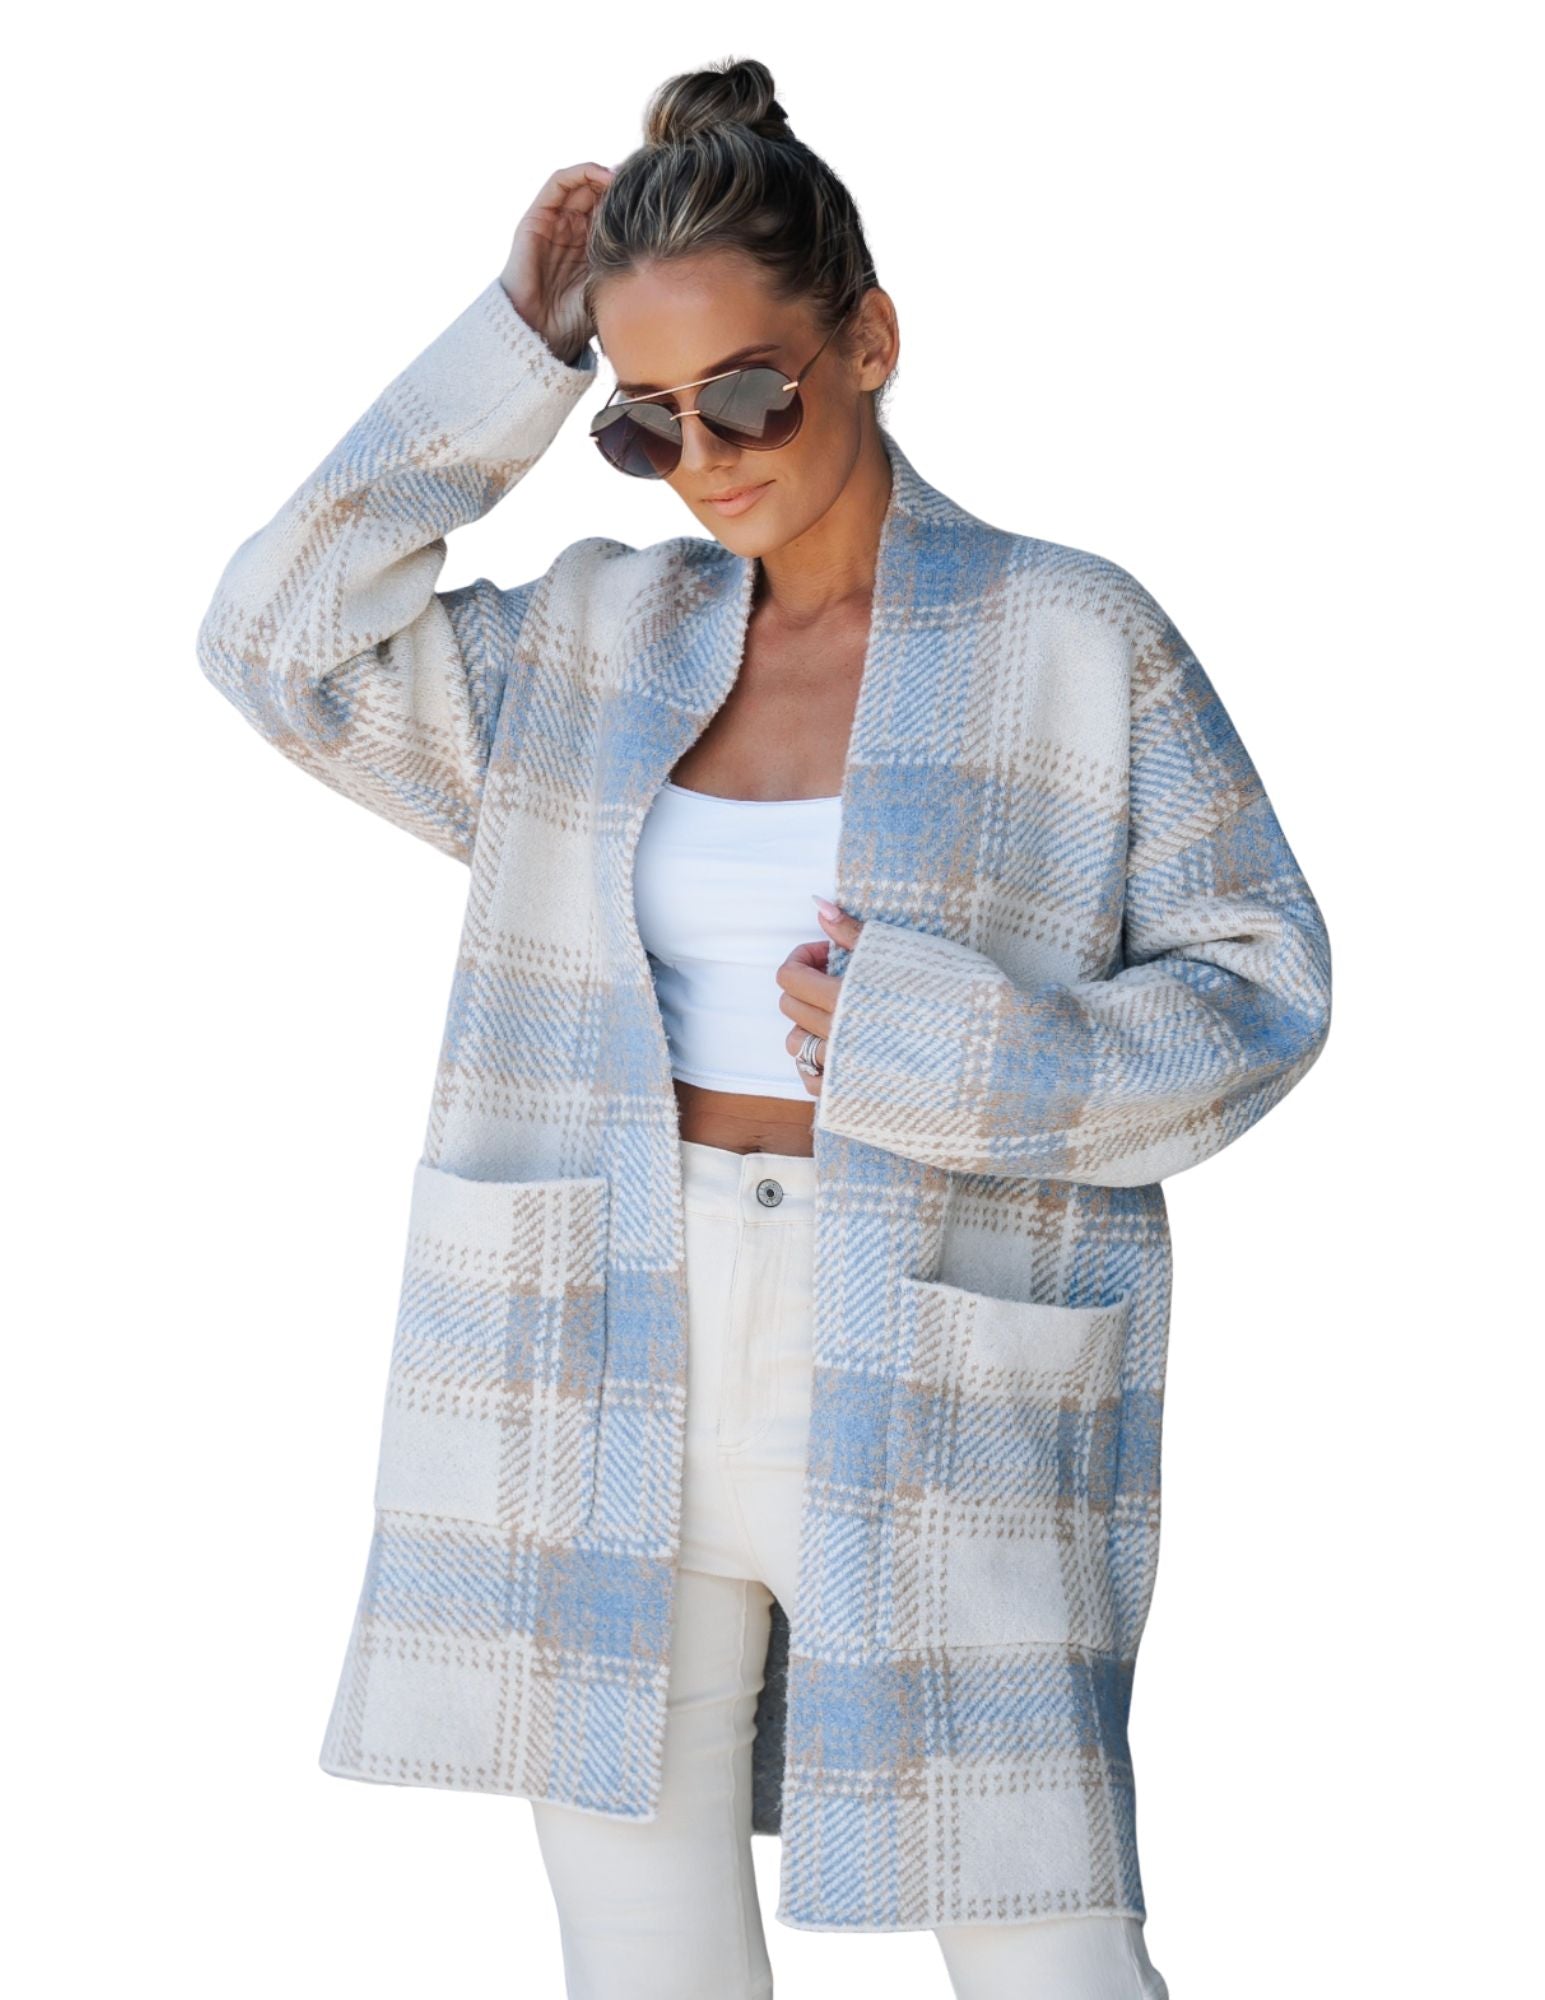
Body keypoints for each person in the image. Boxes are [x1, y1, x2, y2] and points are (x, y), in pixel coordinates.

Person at [199, 53, 1331, 2000]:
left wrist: (949, 1053)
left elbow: (1260, 986)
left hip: (932, 1337)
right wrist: (511, 354)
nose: (705, 459)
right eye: (643, 423)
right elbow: (274, 641)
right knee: (641, 1953)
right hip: (602, 1329)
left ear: (866, 340)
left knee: (1048, 1947)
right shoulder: (585, 646)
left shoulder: (1069, 639)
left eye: (745, 393)